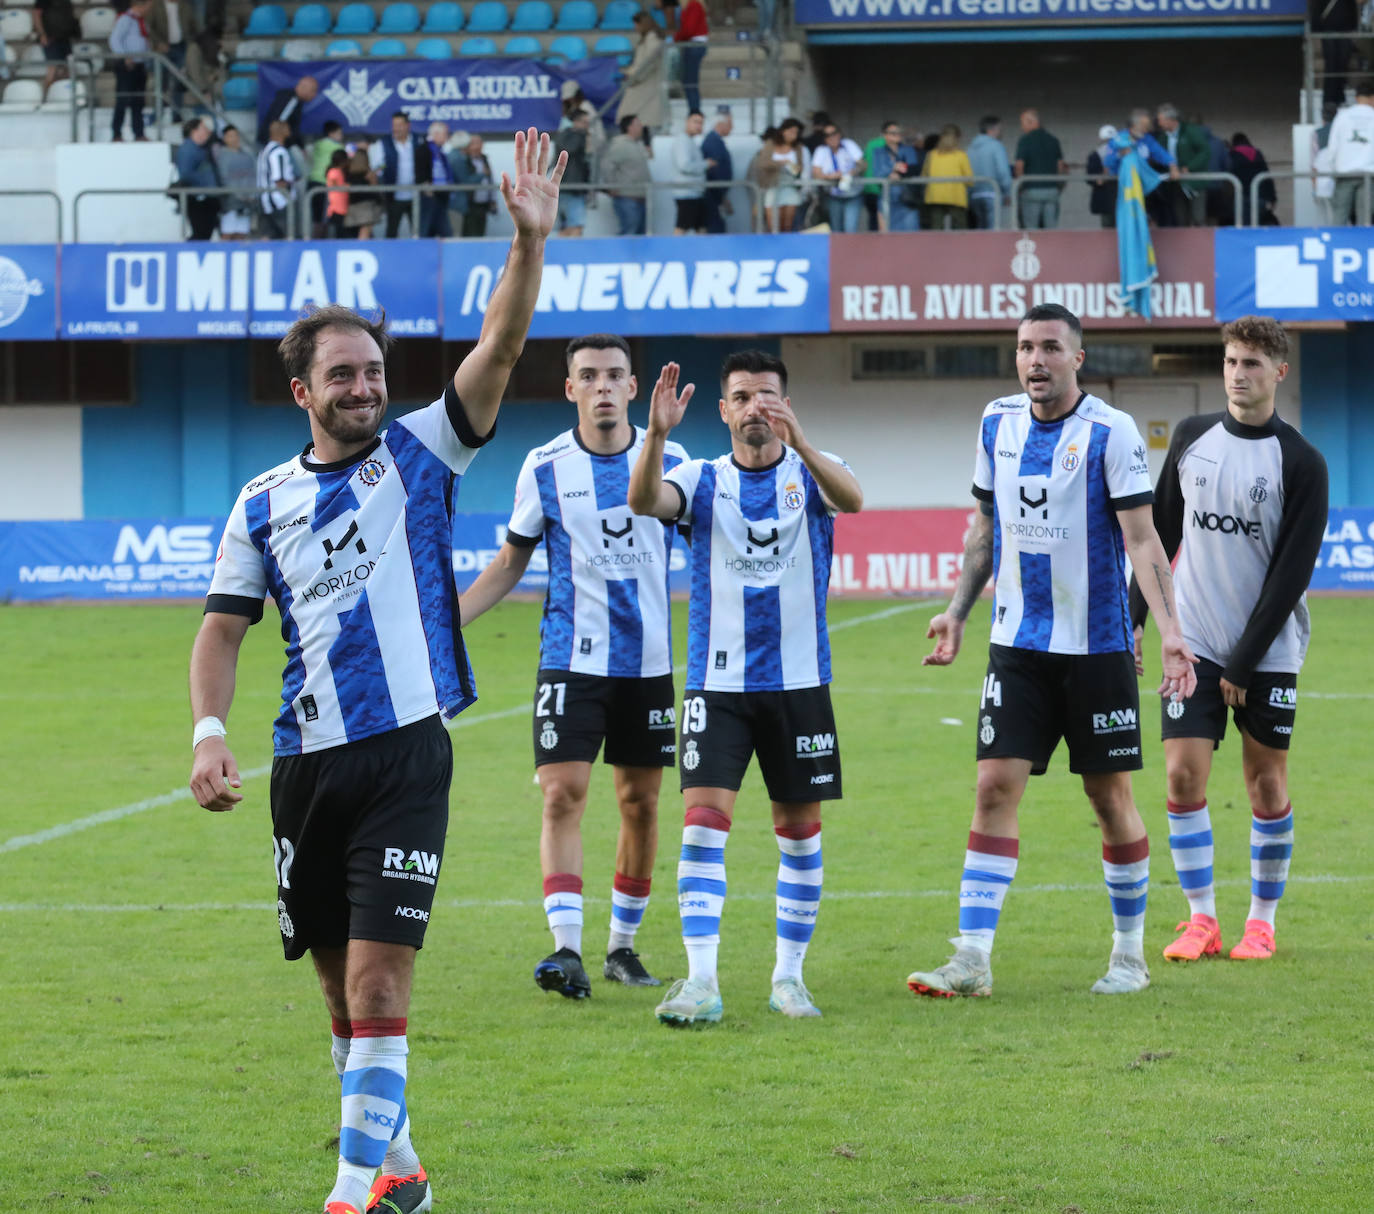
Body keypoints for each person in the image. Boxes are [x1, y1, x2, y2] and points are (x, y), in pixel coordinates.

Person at [188, 128, 565, 1214]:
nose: (365, 387)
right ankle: (399, 1168)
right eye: (342, 374)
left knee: (379, 977)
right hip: (305, 763)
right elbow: (222, 628)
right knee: (335, 991)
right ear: (303, 390)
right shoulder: (261, 501)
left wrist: (525, 245)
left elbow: (496, 349)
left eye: (374, 371)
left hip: (406, 751)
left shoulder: (422, 453)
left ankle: (351, 1186)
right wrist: (208, 733)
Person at [907, 303, 1198, 1000]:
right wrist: (956, 610)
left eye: (1050, 348)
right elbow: (986, 527)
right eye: (1025, 348)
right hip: (1016, 646)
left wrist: (1172, 635)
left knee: (1108, 797)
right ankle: (971, 957)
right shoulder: (995, 423)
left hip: (1095, 647)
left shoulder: (1111, 431)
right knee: (992, 787)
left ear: (1077, 358)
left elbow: (1142, 539)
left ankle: (1128, 956)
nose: (1035, 360)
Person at [627, 351, 865, 1026]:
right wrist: (656, 435)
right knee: (702, 829)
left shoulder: (813, 473)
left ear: (785, 405)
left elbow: (853, 499)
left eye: (767, 395)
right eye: (741, 396)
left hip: (799, 685)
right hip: (717, 686)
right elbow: (644, 501)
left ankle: (789, 979)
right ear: (724, 410)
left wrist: (805, 443)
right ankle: (701, 981)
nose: (755, 406)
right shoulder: (697, 479)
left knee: (799, 833)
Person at [459, 334, 691, 998]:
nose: (603, 387)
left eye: (615, 375)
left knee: (640, 804)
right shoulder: (545, 466)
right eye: (588, 376)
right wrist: (442, 624)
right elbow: (509, 563)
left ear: (632, 385)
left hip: (647, 666)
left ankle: (622, 947)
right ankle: (566, 950)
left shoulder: (673, 459)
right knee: (562, 795)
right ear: (570, 389)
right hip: (570, 661)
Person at [1128, 318, 1327, 966]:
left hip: (1267, 651)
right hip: (1194, 640)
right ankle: (1201, 919)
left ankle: (1261, 923)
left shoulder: (1301, 462)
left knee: (1265, 782)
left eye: (1252, 363)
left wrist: (1244, 661)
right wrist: (1135, 619)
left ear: (1279, 373)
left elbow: (1291, 572)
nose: (1239, 373)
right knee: (1183, 774)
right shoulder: (1191, 438)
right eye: (1231, 361)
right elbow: (1156, 536)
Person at [370, 111, 432, 239]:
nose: (396, 128)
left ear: (407, 125)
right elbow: (377, 166)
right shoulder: (384, 143)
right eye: (394, 125)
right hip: (394, 195)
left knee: (418, 229)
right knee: (392, 229)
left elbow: (426, 163)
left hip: (415, 194)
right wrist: (384, 169)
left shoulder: (418, 140)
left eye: (399, 125)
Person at [1326, 82, 1374, 225]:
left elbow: (1332, 147)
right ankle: (1363, 246)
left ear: (1356, 98)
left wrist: (1332, 170)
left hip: (1344, 173)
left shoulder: (1343, 116)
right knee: (1364, 220)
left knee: (1339, 217)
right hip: (1368, 175)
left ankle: (1335, 245)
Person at [1155, 103, 1210, 226]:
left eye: (1161, 120)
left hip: (1194, 182)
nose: (1159, 123)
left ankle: (1201, 243)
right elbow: (1157, 154)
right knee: (1180, 219)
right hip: (1175, 183)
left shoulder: (1190, 131)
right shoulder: (1163, 137)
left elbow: (1205, 151)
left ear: (1170, 120)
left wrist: (1189, 167)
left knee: (1198, 218)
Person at [1012, 108, 1067, 229]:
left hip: (1031, 190)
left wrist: (1020, 186)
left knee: (1031, 231)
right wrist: (1059, 187)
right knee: (1051, 229)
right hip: (1052, 190)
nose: (1022, 127)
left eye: (1023, 123)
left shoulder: (1025, 140)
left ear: (1032, 122)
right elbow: (1061, 167)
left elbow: (1019, 165)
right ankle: (1051, 248)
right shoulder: (1053, 140)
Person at [109, 0, 152, 143]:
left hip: (139, 65)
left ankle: (139, 133)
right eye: (148, 5)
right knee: (123, 100)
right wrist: (124, 56)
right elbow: (114, 39)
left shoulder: (140, 21)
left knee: (138, 101)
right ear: (140, 5)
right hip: (127, 66)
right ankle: (116, 134)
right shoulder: (126, 19)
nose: (149, 8)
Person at [602, 114, 652, 235]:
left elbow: (650, 156)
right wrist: (612, 186)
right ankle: (622, 255)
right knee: (629, 233)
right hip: (627, 198)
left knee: (639, 235)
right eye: (638, 124)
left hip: (640, 197)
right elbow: (606, 166)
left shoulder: (637, 144)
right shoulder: (620, 145)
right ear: (630, 127)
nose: (641, 127)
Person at [148, 0, 198, 120]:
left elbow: (194, 27)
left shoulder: (185, 6)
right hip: (162, 49)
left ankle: (176, 114)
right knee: (161, 82)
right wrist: (158, 43)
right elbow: (149, 27)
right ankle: (157, 114)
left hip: (181, 47)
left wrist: (189, 41)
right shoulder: (156, 6)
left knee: (179, 81)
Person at [619, 12, 666, 139]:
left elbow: (647, 64)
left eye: (636, 24)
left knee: (636, 117)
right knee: (636, 117)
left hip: (645, 84)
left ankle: (644, 145)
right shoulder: (647, 39)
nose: (635, 27)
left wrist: (632, 75)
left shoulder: (653, 40)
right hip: (641, 83)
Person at [811, 123, 865, 233]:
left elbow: (863, 164)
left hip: (852, 193)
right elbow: (816, 172)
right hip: (833, 195)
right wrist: (829, 176)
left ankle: (849, 250)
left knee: (850, 229)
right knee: (836, 229)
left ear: (839, 134)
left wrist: (851, 173)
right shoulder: (821, 150)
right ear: (824, 138)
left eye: (834, 133)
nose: (832, 137)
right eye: (827, 135)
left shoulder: (849, 144)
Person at [869, 120, 921, 232]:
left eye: (898, 132)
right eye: (893, 133)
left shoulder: (908, 150)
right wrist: (893, 167)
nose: (897, 135)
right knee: (886, 234)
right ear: (884, 135)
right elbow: (877, 174)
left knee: (909, 235)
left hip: (906, 198)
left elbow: (913, 170)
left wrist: (899, 173)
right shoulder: (878, 152)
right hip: (886, 197)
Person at [175, 116, 221, 241]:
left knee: (205, 232)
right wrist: (205, 185)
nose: (207, 132)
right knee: (201, 232)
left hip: (206, 196)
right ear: (194, 131)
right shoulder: (188, 149)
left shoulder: (202, 148)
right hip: (198, 197)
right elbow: (185, 173)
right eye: (204, 129)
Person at [966, 115, 1013, 230]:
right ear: (991, 130)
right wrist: (1007, 192)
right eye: (999, 129)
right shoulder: (996, 146)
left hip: (973, 195)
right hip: (993, 193)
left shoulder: (970, 148)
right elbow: (1003, 172)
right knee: (993, 231)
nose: (1001, 133)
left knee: (979, 231)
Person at [922, 124, 972, 230]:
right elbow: (969, 179)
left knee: (936, 228)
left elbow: (924, 175)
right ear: (957, 138)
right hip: (956, 197)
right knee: (960, 229)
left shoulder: (932, 154)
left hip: (935, 196)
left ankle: (936, 247)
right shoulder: (961, 155)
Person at [214, 124, 257, 239]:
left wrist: (252, 194)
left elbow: (253, 175)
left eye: (236, 135)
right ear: (224, 138)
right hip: (231, 201)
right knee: (227, 233)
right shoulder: (222, 156)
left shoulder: (247, 154)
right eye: (230, 136)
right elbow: (224, 178)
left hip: (247, 201)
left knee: (242, 234)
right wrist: (237, 195)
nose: (234, 138)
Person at [554, 109, 592, 236]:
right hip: (570, 187)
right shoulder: (569, 136)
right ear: (575, 122)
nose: (587, 126)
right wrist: (581, 135)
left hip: (573, 186)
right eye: (585, 123)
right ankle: (572, 254)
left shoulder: (570, 136)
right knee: (576, 225)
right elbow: (570, 150)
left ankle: (562, 253)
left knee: (569, 226)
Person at [671, 109, 710, 233]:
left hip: (695, 192)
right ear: (687, 122)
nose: (699, 126)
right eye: (696, 122)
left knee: (701, 228)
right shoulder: (683, 141)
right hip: (687, 193)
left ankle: (704, 252)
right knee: (682, 228)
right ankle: (673, 252)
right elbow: (684, 165)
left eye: (701, 123)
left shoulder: (690, 141)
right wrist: (706, 164)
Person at [450, 132, 495, 237]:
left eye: (479, 143)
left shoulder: (484, 159)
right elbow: (465, 180)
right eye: (474, 143)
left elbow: (490, 179)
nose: (477, 146)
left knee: (480, 233)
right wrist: (481, 175)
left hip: (484, 204)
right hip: (470, 204)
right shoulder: (464, 159)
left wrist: (492, 199)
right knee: (470, 233)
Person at [305, 120, 345, 238]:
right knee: (324, 220)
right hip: (324, 184)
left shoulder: (317, 144)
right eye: (339, 133)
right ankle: (320, 245)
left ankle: (316, 243)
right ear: (331, 134)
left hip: (312, 182)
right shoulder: (338, 147)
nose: (341, 136)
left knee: (317, 219)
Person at [257, 119, 296, 239]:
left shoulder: (264, 150)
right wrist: (288, 195)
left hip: (265, 199)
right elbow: (279, 178)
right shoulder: (278, 152)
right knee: (286, 236)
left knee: (268, 236)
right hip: (278, 201)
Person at [1228, 133, 1278, 226]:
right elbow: (1266, 176)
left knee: (1244, 227)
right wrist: (1273, 198)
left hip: (1242, 197)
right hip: (1260, 196)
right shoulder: (1257, 154)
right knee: (1257, 225)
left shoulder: (1232, 155)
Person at [33, 0, 77, 102]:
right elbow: (36, 15)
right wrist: (42, 34)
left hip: (65, 38)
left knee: (67, 70)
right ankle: (45, 98)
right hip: (50, 38)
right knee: (52, 70)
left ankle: (66, 98)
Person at [259, 74, 317, 146]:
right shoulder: (291, 101)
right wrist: (277, 144)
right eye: (313, 91)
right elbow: (278, 125)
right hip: (274, 143)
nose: (315, 95)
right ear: (304, 88)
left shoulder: (296, 101)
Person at [701, 105, 733, 234]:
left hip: (715, 194)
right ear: (720, 124)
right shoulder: (713, 142)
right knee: (715, 230)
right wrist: (721, 195)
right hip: (713, 195)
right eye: (730, 124)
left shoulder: (715, 141)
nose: (732, 127)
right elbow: (714, 171)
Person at [673, 0, 709, 114]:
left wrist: (676, 38)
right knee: (688, 79)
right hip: (691, 44)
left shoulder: (694, 5)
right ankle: (693, 108)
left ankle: (695, 110)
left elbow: (689, 29)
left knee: (690, 80)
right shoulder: (691, 5)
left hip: (695, 45)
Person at [343, 137, 382, 239]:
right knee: (364, 233)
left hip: (352, 205)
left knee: (360, 234)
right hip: (366, 206)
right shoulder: (368, 174)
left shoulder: (347, 173)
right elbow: (375, 189)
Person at [420, 121, 453, 237]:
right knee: (425, 230)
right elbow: (421, 170)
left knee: (445, 231)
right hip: (429, 196)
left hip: (441, 196)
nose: (447, 137)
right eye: (445, 134)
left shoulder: (441, 152)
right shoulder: (424, 149)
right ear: (436, 134)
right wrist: (426, 187)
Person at [1086, 123, 1119, 229]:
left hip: (1119, 195)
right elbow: (1092, 179)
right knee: (1109, 228)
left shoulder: (1123, 153)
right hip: (1107, 197)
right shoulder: (1095, 155)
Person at [324, 148, 350, 238]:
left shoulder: (340, 171)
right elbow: (334, 185)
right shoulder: (333, 171)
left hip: (343, 207)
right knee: (338, 232)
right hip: (335, 207)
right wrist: (346, 186)